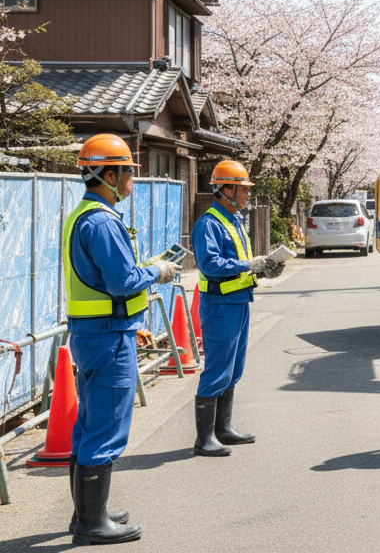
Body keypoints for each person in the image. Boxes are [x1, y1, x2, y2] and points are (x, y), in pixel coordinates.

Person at [65, 134, 180, 545]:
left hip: (92, 334)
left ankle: (86, 513)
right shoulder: (102, 221)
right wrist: (156, 271)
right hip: (109, 337)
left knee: (90, 424)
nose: (133, 179)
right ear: (108, 174)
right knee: (107, 427)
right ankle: (92, 525)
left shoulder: (83, 215)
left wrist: (143, 270)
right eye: (129, 172)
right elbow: (122, 281)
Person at [189, 160, 282, 457]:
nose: (247, 195)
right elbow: (210, 264)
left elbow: (239, 266)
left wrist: (262, 270)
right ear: (226, 189)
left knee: (233, 369)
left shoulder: (233, 220)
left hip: (237, 302)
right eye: (242, 190)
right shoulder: (209, 223)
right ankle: (204, 439)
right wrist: (248, 265)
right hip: (219, 306)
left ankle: (222, 430)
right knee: (217, 368)